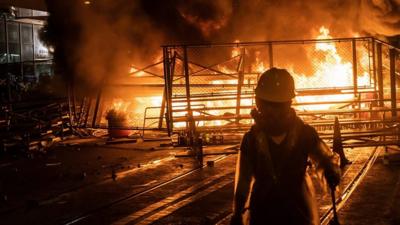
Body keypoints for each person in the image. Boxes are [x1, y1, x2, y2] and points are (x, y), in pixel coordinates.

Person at [230, 68, 341, 225]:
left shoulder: (304, 134)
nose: (273, 112)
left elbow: (323, 158)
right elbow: (243, 181)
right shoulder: (252, 139)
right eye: (268, 105)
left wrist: (330, 172)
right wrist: (237, 213)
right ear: (260, 104)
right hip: (265, 212)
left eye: (277, 106)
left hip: (295, 212)